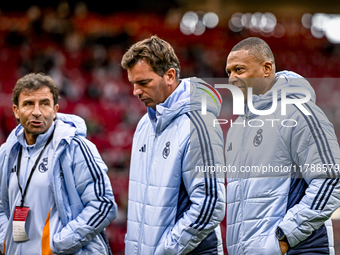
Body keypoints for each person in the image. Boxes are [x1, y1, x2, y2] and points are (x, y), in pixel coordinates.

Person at [224, 37, 340, 255]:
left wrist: (283, 239)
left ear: (267, 68)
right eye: (228, 72)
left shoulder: (300, 112)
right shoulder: (237, 127)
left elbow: (331, 180)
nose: (231, 79)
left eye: (239, 70)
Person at [121, 35, 226, 254]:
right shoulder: (144, 125)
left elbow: (210, 203)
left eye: (143, 83)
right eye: (133, 83)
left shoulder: (199, 123)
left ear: (169, 76)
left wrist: (166, 251)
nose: (136, 92)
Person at [0, 73, 117, 254]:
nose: (37, 112)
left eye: (45, 104)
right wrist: (6, 241)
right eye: (29, 103)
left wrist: (58, 246)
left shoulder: (74, 147)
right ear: (16, 110)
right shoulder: (7, 153)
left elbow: (103, 204)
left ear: (55, 110)